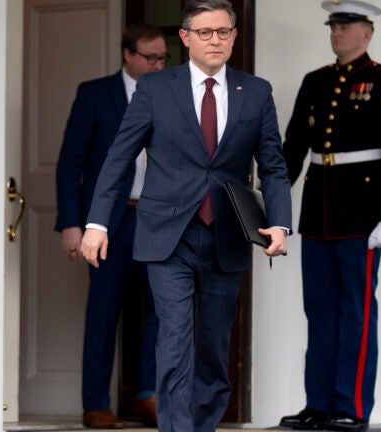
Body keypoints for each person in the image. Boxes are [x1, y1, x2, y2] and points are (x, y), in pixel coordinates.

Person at [80, 1, 291, 430]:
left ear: (234, 36)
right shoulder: (156, 89)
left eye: (222, 31)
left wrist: (281, 223)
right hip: (166, 236)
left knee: (213, 348)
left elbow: (273, 165)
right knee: (174, 340)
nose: (214, 40)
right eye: (204, 32)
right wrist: (97, 223)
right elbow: (119, 157)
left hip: (226, 235)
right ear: (185, 38)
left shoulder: (256, 92)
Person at [279, 2, 381, 431]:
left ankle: (351, 407)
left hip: (363, 215)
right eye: (333, 25)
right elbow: (294, 147)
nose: (336, 32)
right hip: (318, 212)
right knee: (319, 311)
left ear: (367, 32)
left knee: (356, 312)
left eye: (346, 25)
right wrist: (274, 201)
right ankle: (318, 404)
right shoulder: (315, 82)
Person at [54, 23, 168, 429]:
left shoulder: (171, 93)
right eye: (150, 57)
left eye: (162, 58)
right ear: (128, 55)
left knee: (160, 310)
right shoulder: (95, 94)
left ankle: (148, 395)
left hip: (157, 219)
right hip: (108, 222)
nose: (157, 65)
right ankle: (96, 403)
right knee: (104, 311)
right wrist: (71, 224)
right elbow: (72, 163)